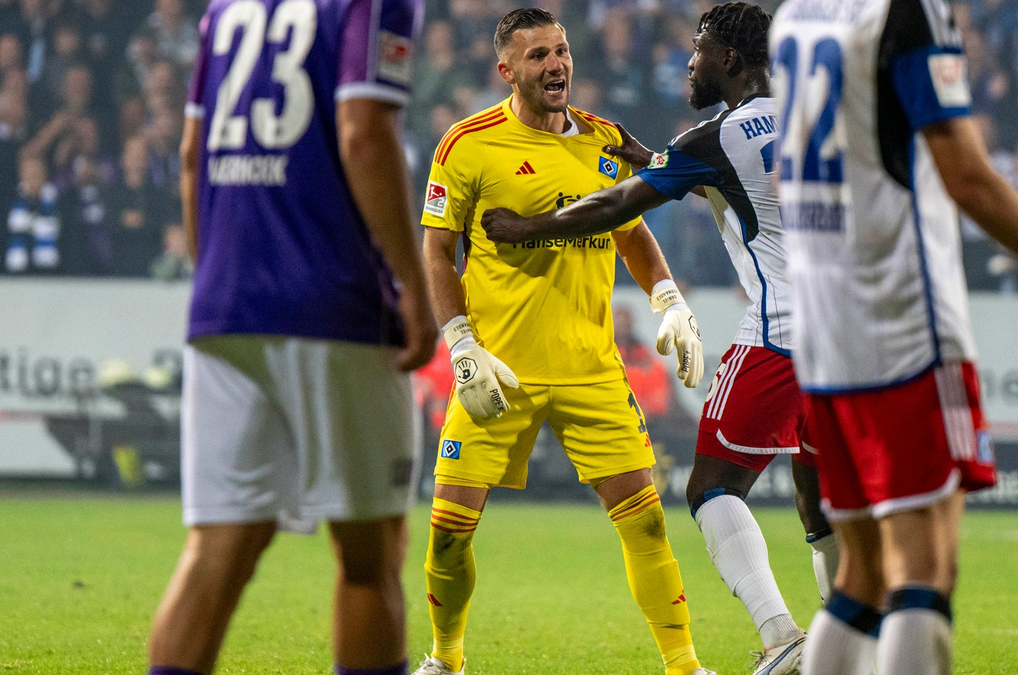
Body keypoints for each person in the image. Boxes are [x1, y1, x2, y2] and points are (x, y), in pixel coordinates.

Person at [770, 2, 1018, 675]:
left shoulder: (796, 14)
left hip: (826, 327)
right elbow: (967, 175)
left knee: (861, 574)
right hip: (903, 319)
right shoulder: (907, 11)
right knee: (924, 567)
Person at [481, 5, 835, 675]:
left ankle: (781, 634)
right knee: (820, 501)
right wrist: (655, 160)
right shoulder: (816, 116)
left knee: (711, 488)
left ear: (729, 59)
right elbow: (746, 186)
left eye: (699, 51)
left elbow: (619, 205)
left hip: (781, 336)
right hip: (848, 339)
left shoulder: (716, 137)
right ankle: (856, 644)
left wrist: (529, 229)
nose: (690, 63)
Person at [414, 8, 710, 675]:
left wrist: (668, 297)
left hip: (591, 368)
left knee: (647, 521)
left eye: (562, 51)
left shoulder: (606, 140)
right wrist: (459, 343)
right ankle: (446, 659)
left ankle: (685, 666)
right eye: (538, 55)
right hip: (497, 369)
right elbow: (436, 248)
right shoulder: (466, 143)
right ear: (506, 70)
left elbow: (631, 230)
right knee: (449, 534)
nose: (556, 65)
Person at [146, 1, 437, 675]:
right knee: (369, 553)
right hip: (335, 300)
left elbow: (191, 155)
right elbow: (364, 133)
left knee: (218, 546)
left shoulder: (226, 8)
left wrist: (216, 276)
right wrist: (412, 285)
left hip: (225, 301)